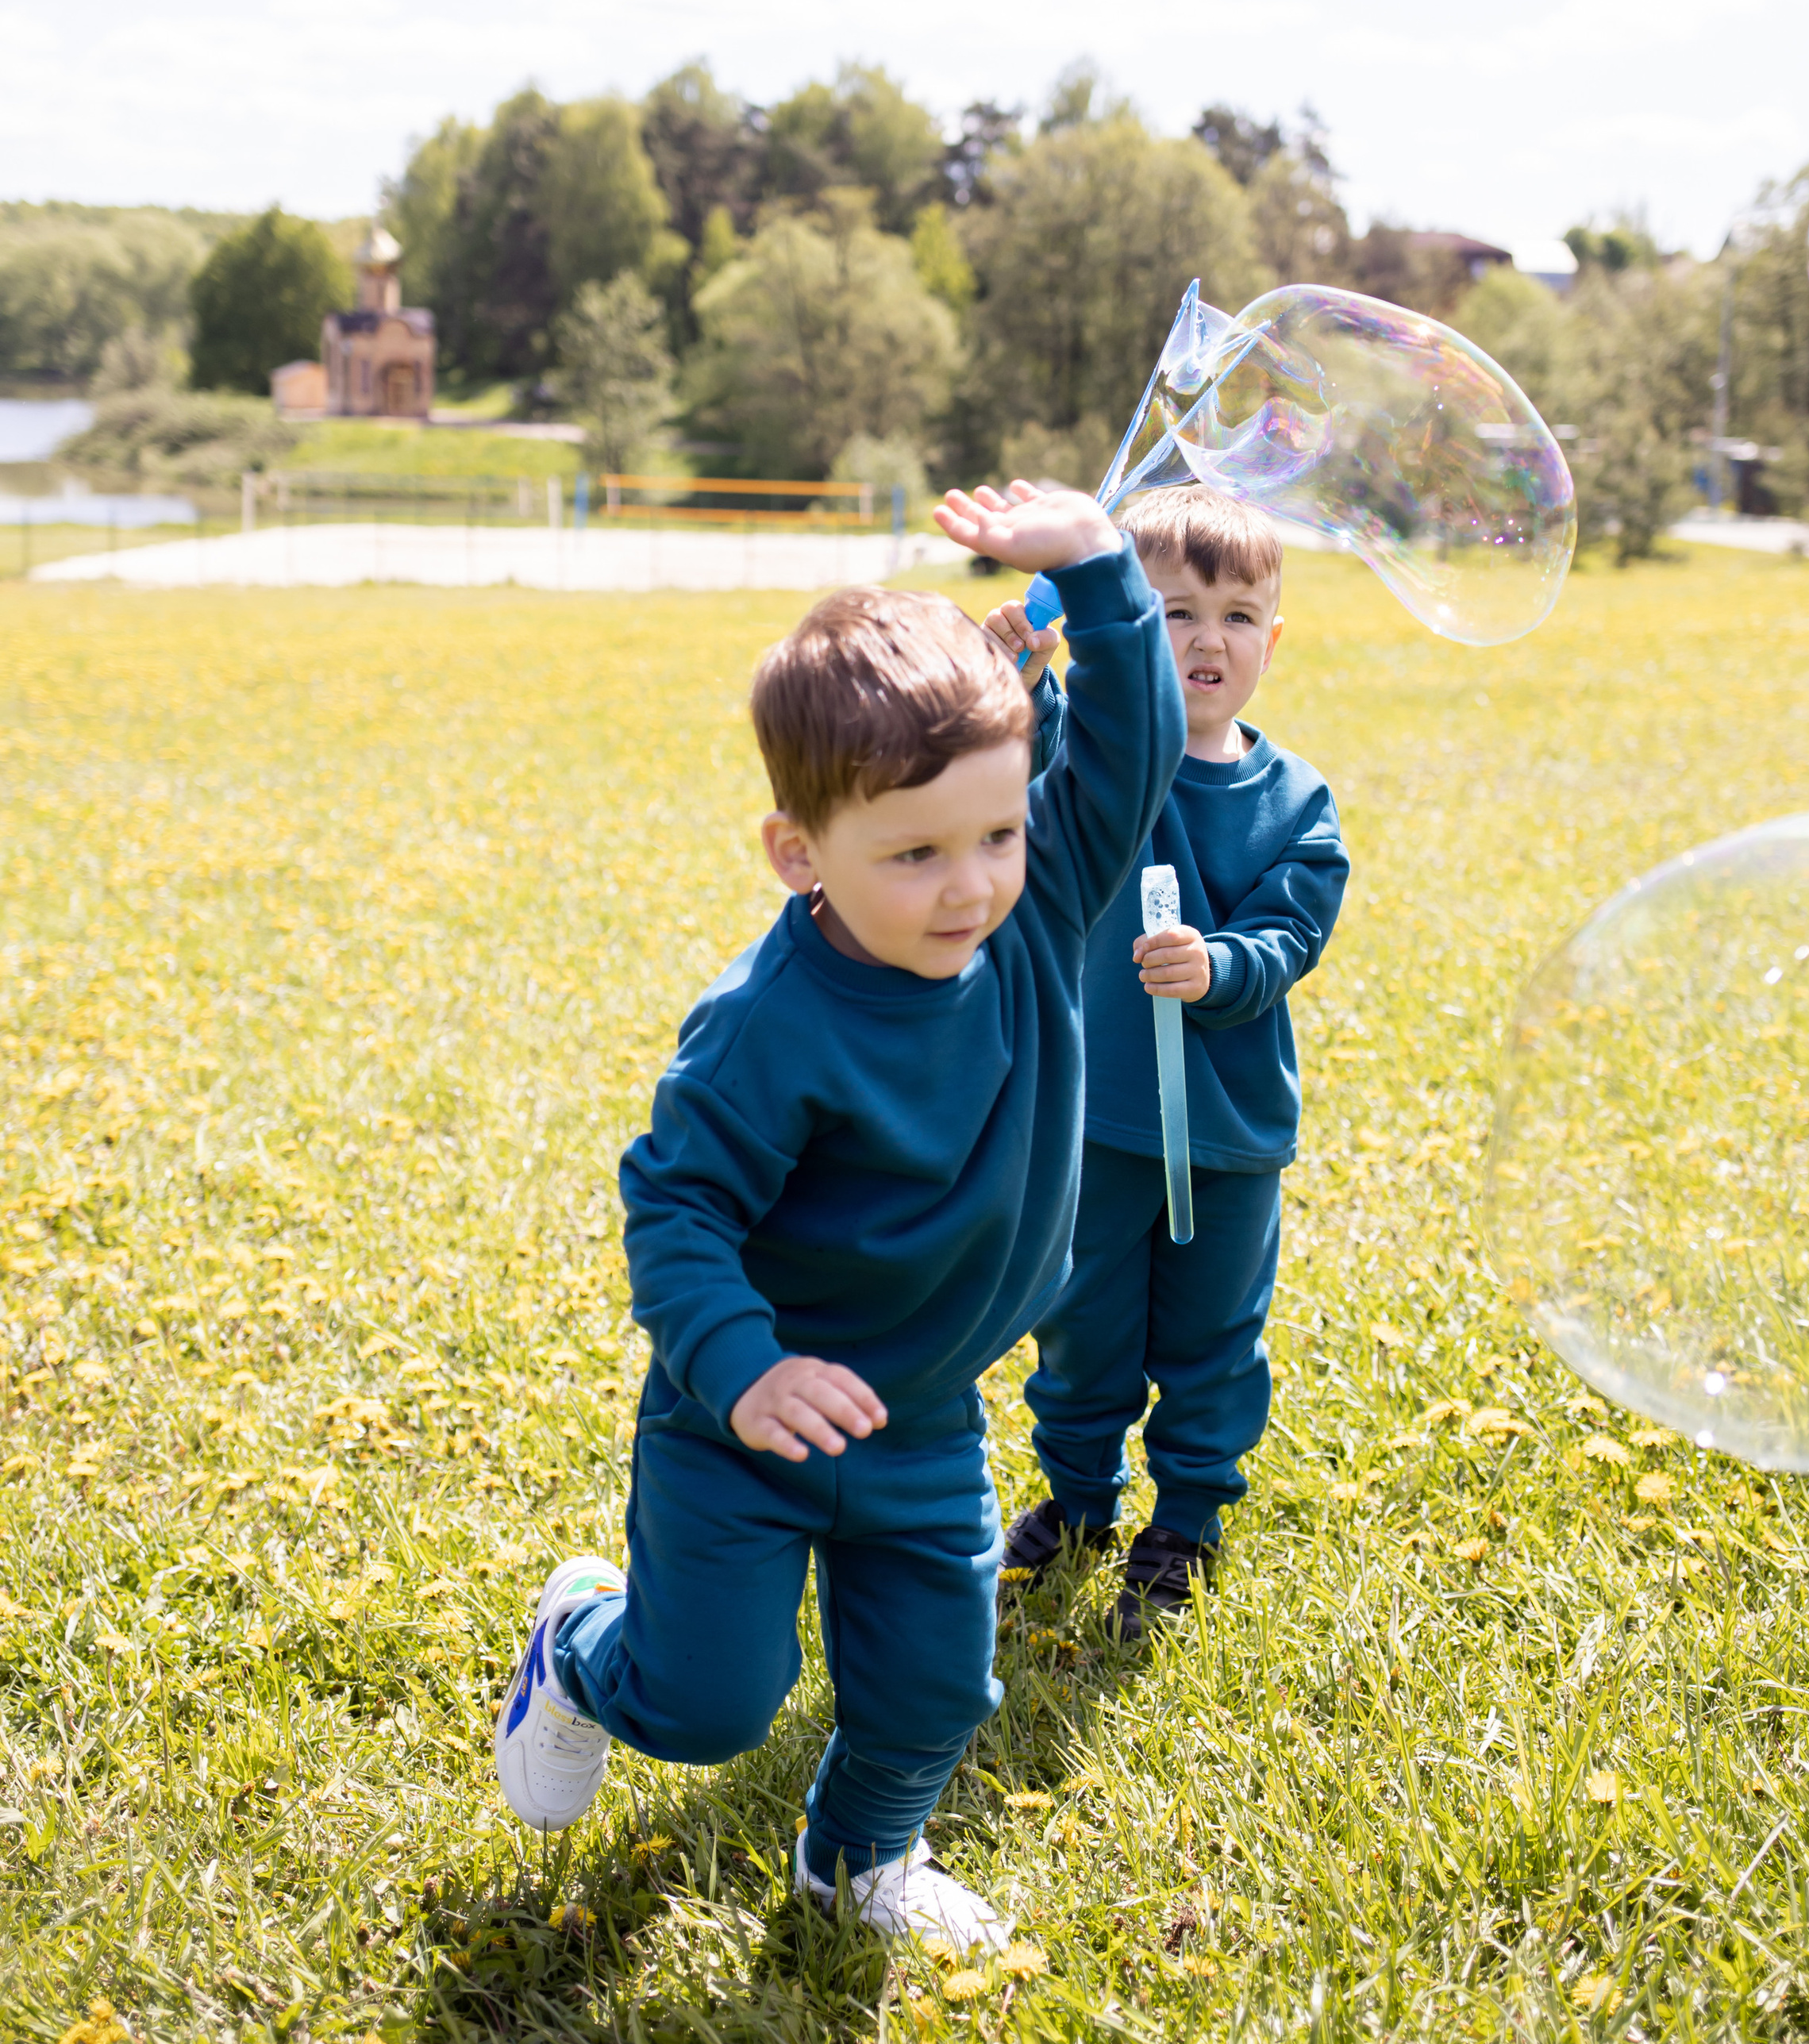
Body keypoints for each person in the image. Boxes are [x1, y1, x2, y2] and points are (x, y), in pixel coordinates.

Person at [492, 482, 1184, 1949]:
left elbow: (1132, 753)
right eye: (916, 854)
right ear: (799, 852)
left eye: (996, 834)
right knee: (705, 1706)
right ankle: (579, 1643)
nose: (970, 887)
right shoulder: (766, 1029)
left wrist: (1103, 571)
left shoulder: (1036, 906)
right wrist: (740, 1372)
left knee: (940, 1683)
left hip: (923, 1410)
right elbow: (673, 1207)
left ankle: (857, 1857)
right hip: (744, 1422)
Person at [983, 488, 1347, 1639]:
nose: (1207, 639)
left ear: (1273, 640)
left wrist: (1223, 965)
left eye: (1239, 615)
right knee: (1082, 1327)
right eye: (1175, 611)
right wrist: (1023, 679)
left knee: (1212, 1341)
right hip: (1094, 1126)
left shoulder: (1295, 802)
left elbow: (1293, 933)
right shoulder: (1102, 766)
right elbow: (1011, 783)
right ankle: (1081, 1502)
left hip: (1227, 1134)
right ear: (1127, 630)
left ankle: (1186, 1519)